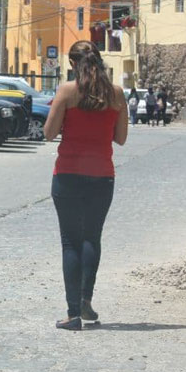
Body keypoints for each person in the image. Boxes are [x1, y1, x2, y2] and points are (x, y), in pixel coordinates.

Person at [44, 41, 128, 331]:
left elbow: (48, 133)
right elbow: (121, 138)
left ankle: (72, 314)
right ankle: (86, 301)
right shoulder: (116, 94)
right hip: (102, 177)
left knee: (71, 241)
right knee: (92, 238)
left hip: (67, 174)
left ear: (72, 64)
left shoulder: (67, 91)